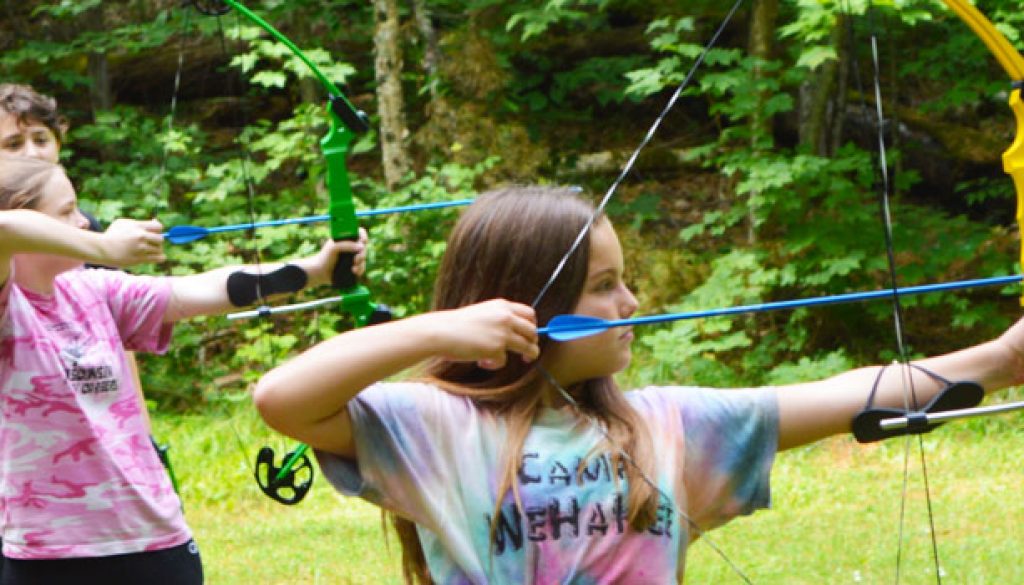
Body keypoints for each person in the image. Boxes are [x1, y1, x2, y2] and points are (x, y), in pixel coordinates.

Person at [253, 185, 1024, 584]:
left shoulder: (670, 426)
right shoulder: (436, 427)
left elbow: (848, 395)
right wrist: (438, 330)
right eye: (605, 285)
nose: (630, 305)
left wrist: (997, 356)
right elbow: (281, 398)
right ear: (526, 302)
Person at [0, 155, 367, 585]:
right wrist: (106, 249)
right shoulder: (11, 308)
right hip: (49, 554)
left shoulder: (92, 290)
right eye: (66, 212)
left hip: (156, 538)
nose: (83, 222)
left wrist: (314, 270)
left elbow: (206, 289)